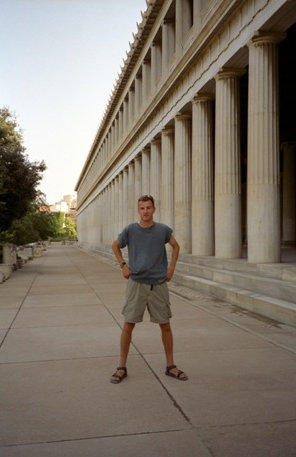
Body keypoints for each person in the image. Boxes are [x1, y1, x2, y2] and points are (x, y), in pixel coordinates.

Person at [110, 194, 188, 383]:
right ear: (139, 210)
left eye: (148, 207)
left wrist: (171, 269)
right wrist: (123, 265)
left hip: (158, 284)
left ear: (154, 209)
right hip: (136, 284)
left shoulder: (162, 230)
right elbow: (115, 245)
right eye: (142, 208)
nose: (145, 211)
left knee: (165, 325)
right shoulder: (130, 230)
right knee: (128, 325)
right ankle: (121, 367)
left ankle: (170, 366)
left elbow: (176, 247)